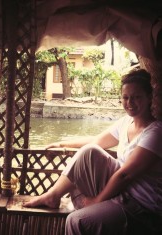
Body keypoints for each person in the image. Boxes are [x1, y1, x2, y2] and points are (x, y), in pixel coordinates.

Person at [23, 68, 162, 234]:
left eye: (137, 97)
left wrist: (97, 200)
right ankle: (53, 195)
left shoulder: (156, 133)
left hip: (141, 206)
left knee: (76, 221)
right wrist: (61, 145)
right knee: (89, 152)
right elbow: (95, 142)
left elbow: (125, 175)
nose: (130, 103)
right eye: (126, 97)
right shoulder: (126, 122)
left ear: (149, 98)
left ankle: (76, 204)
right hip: (123, 192)